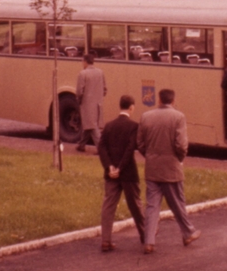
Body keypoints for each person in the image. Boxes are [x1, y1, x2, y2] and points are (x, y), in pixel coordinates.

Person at [136, 88, 200, 254]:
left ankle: (148, 241)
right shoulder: (178, 117)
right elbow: (181, 145)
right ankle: (188, 232)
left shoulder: (146, 116)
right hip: (172, 167)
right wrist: (179, 158)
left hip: (152, 168)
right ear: (173, 101)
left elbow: (140, 143)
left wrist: (149, 156)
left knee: (152, 206)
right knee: (177, 202)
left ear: (159, 100)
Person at [96, 94, 146, 252]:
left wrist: (109, 167)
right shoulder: (133, 126)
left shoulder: (109, 126)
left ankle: (106, 240)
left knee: (108, 205)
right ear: (131, 107)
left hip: (111, 174)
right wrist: (120, 168)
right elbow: (130, 148)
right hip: (128, 172)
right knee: (135, 205)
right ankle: (145, 236)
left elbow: (101, 147)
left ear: (120, 106)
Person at [75, 53, 106, 152]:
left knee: (92, 126)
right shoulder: (100, 72)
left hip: (87, 104)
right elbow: (105, 89)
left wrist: (79, 99)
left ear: (85, 62)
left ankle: (101, 148)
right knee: (88, 124)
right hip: (98, 103)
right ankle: (81, 145)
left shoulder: (82, 74)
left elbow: (79, 91)